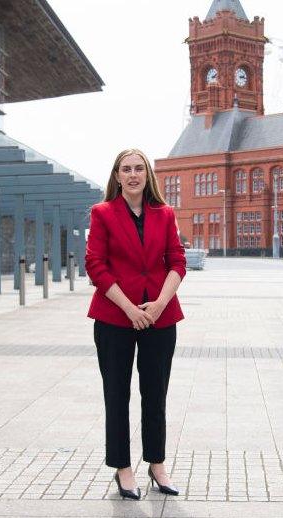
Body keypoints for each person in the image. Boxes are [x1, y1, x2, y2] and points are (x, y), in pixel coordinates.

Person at [85, 148, 187, 500]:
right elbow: (95, 265)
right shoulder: (102, 213)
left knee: (155, 393)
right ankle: (122, 468)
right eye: (125, 169)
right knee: (117, 393)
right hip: (115, 315)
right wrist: (130, 309)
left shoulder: (165, 213)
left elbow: (177, 261)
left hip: (160, 316)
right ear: (116, 176)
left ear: (147, 175)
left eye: (138, 169)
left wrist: (159, 304)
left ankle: (157, 464)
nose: (132, 175)